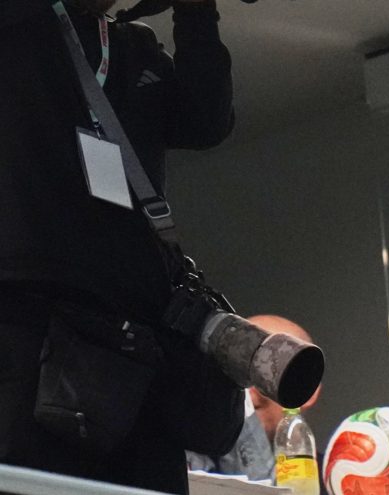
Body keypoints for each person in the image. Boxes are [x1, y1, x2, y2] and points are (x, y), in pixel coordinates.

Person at [0, 0, 240, 493]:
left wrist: (196, 11)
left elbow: (206, 121)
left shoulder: (135, 46)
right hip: (33, 326)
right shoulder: (20, 29)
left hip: (139, 330)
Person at [187, 315, 323, 482]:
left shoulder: (336, 478)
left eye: (266, 371)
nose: (245, 389)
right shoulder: (190, 460)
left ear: (308, 391)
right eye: (230, 366)